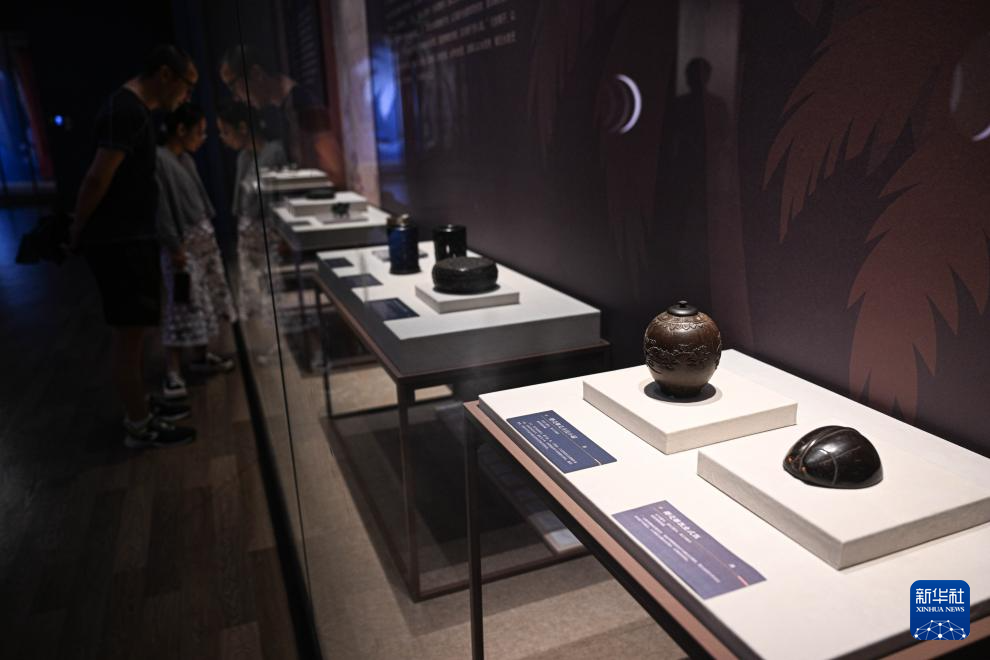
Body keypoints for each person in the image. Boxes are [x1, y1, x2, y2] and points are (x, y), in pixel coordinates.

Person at [68, 45, 197, 449]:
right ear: (165, 75)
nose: (186, 98)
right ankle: (138, 425)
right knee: (129, 337)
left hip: (131, 237)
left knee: (136, 333)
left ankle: (141, 406)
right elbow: (97, 178)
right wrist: (76, 227)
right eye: (186, 86)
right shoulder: (125, 110)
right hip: (121, 240)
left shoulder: (131, 110)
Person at [156, 103, 237, 399]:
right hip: (183, 245)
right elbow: (161, 208)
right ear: (181, 130)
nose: (203, 138)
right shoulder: (159, 160)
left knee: (203, 301)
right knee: (182, 304)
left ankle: (201, 356)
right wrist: (174, 245)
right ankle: (173, 371)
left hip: (202, 241)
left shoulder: (185, 159)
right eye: (199, 132)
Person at [219, 44, 344, 183]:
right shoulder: (283, 109)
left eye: (233, 87)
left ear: (256, 74)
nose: (236, 97)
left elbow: (335, 172)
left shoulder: (301, 104)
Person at [216, 100, 286, 321]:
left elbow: (277, 197)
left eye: (226, 132)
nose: (223, 137)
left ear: (243, 128)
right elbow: (242, 199)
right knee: (251, 288)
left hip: (268, 231)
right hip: (248, 231)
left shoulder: (273, 152)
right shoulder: (243, 157)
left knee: (271, 288)